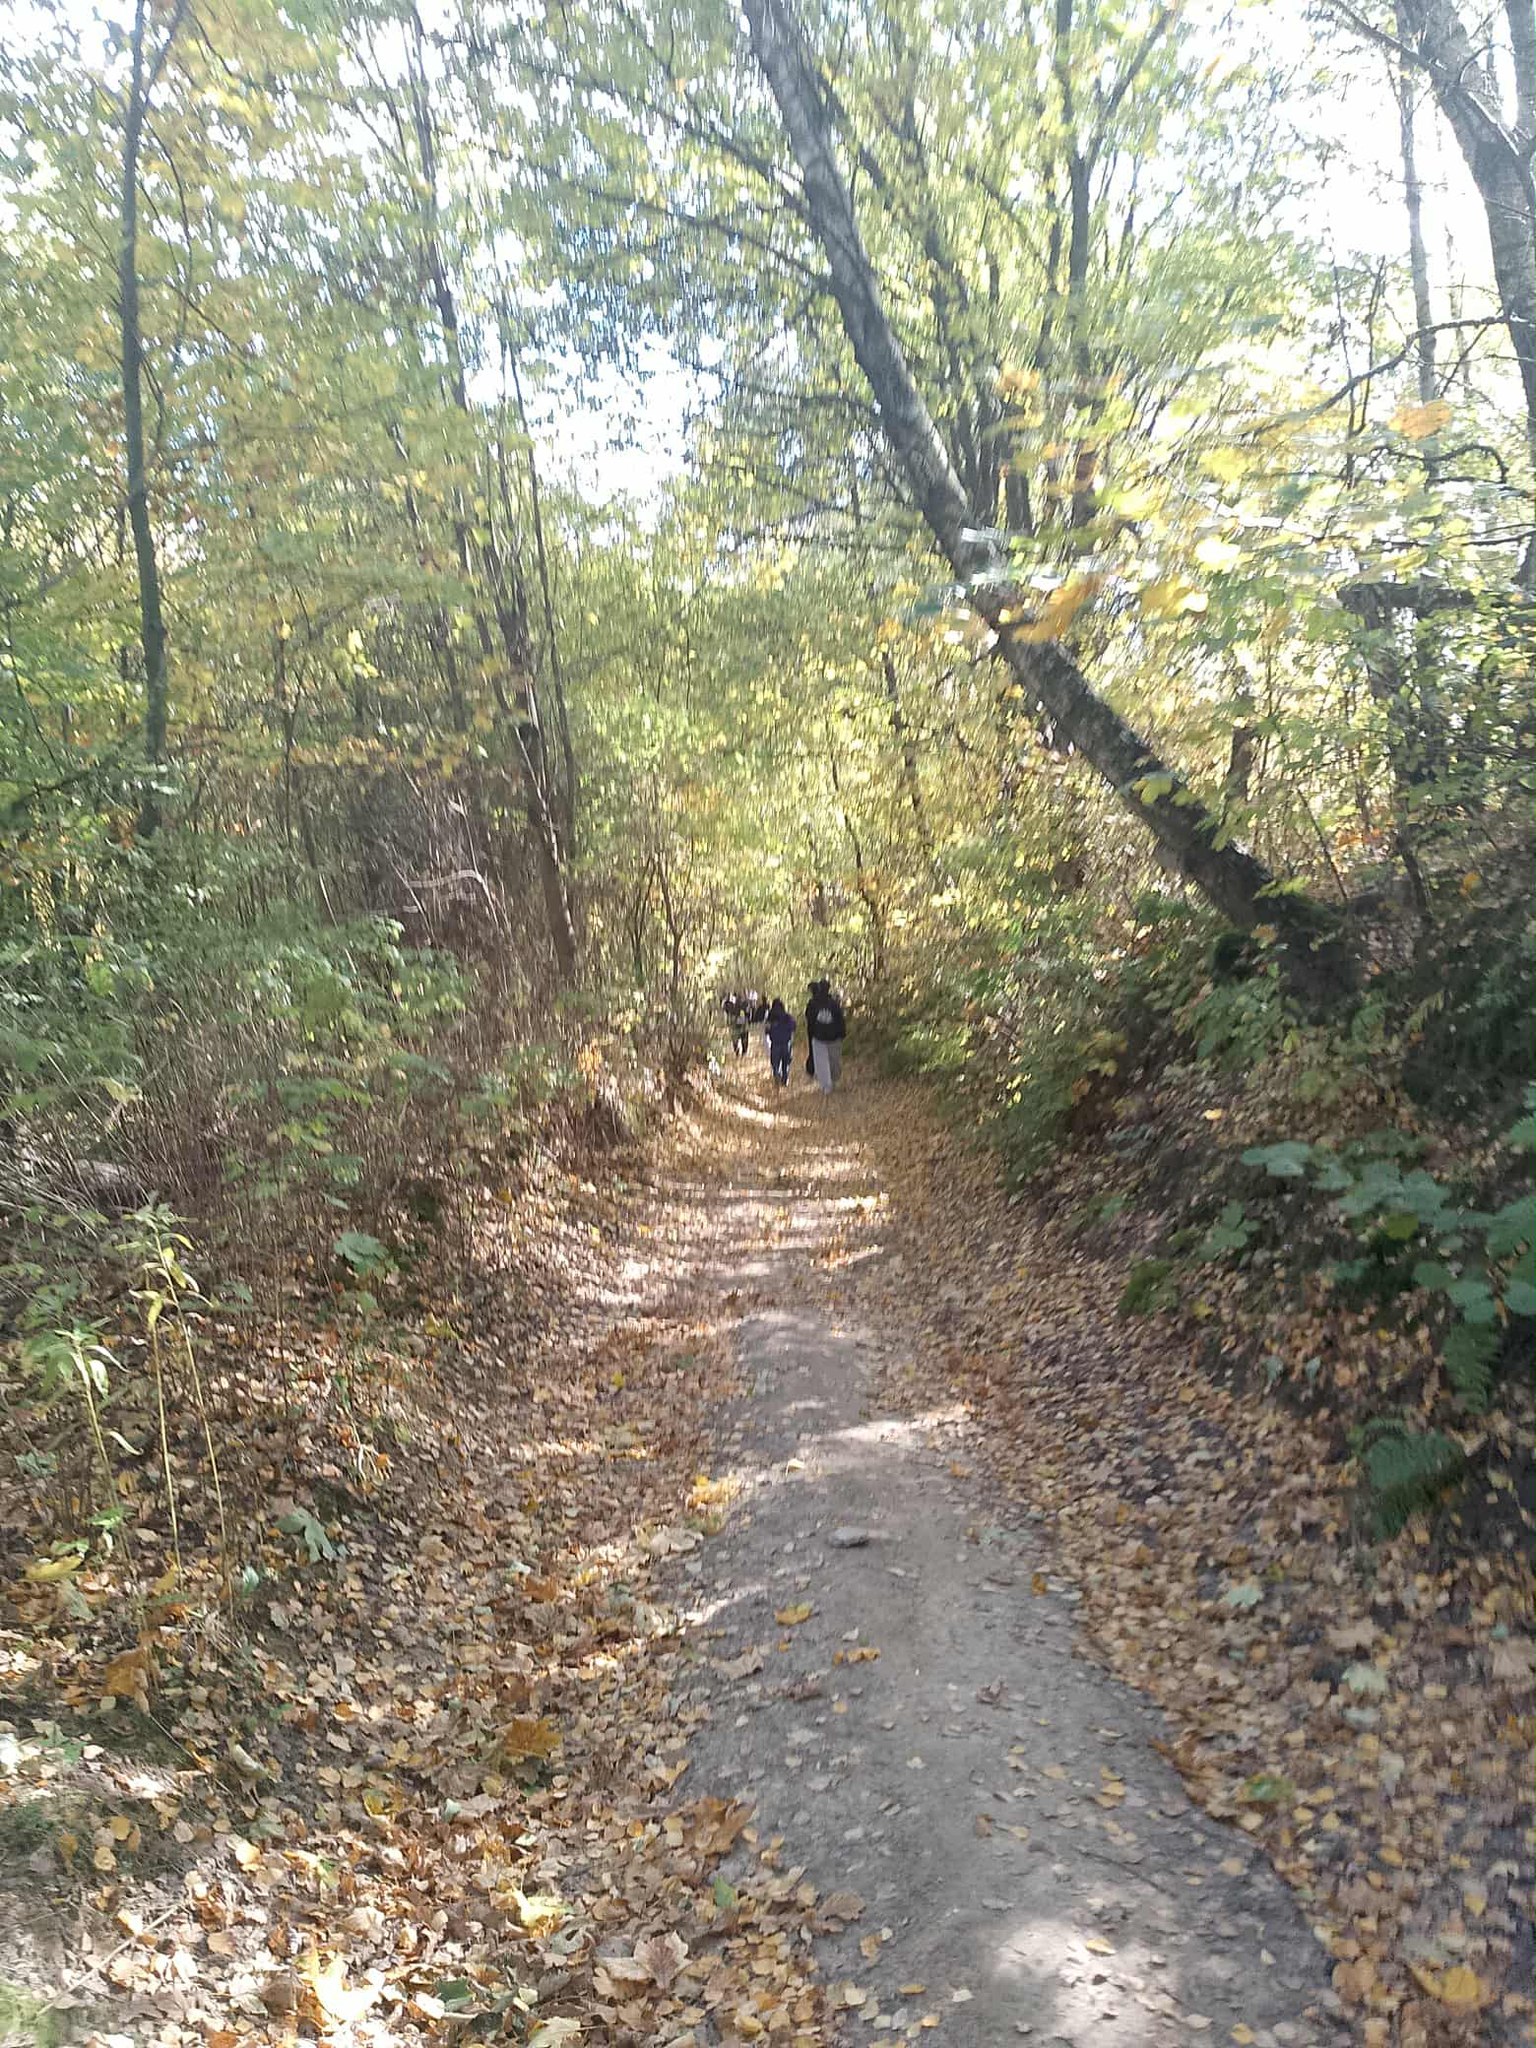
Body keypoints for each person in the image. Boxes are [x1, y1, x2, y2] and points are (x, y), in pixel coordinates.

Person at [804, 977, 847, 1093]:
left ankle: (827, 1086)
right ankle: (831, 1083)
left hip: (819, 1038)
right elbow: (840, 1020)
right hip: (833, 1039)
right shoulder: (834, 1003)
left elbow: (809, 1020)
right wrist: (842, 1034)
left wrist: (811, 1034)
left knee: (823, 1063)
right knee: (833, 1062)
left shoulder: (813, 1004)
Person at [764, 997, 796, 1085]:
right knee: (786, 1063)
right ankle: (785, 1079)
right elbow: (793, 1027)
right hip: (786, 1044)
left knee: (775, 1063)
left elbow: (766, 1031)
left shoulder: (770, 1018)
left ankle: (776, 1075)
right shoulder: (787, 1017)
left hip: (775, 1044)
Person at [722, 990, 750, 1057]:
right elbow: (748, 1013)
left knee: (736, 1038)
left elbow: (724, 1007)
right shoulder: (744, 1004)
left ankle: (739, 1051)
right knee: (743, 1038)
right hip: (742, 1024)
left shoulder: (731, 1005)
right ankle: (742, 1052)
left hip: (736, 1024)